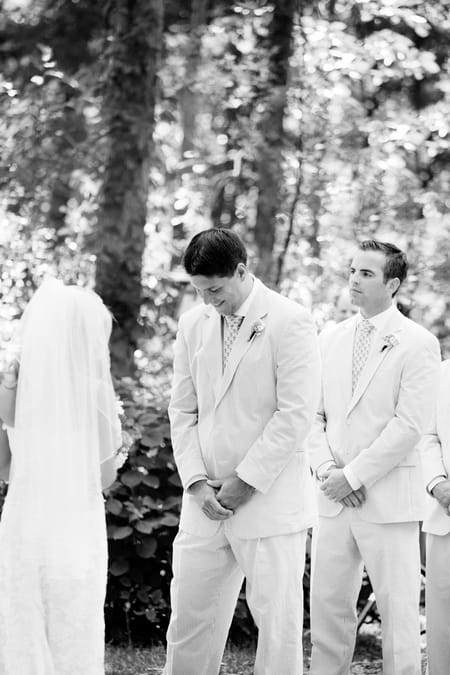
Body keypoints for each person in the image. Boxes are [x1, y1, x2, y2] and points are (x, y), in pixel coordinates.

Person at [163, 228, 320, 675]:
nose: (208, 300)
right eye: (199, 291)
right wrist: (195, 481)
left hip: (269, 500)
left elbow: (295, 414)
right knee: (189, 617)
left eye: (214, 289)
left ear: (241, 271)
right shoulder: (193, 324)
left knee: (277, 626)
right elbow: (182, 408)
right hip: (203, 501)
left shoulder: (291, 320)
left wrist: (244, 482)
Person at [308, 240, 441, 675]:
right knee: (327, 613)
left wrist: (354, 476)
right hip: (332, 499)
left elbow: (409, 425)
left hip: (387, 500)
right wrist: (328, 471)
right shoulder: (329, 337)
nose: (353, 280)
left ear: (393, 283)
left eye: (366, 273)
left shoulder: (419, 343)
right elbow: (314, 414)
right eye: (352, 271)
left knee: (399, 617)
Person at [0, 279, 122, 675]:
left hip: (24, 523)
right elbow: (103, 478)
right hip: (74, 525)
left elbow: (4, 468)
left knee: (22, 617)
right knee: (73, 619)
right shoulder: (95, 398)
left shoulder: (13, 392)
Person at [421, 359, 450, 675]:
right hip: (445, 515)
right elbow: (426, 436)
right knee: (442, 626)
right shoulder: (441, 373)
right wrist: (437, 482)